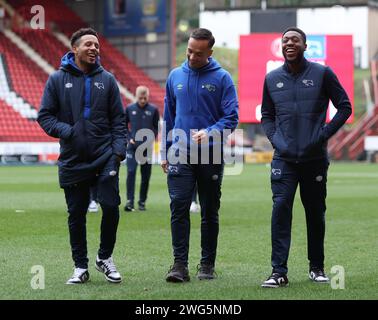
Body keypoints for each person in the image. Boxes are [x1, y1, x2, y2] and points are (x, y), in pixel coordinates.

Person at [260, 27, 352, 288]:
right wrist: (276, 140)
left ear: (304, 45)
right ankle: (278, 272)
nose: (289, 43)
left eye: (294, 40)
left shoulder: (322, 73)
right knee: (280, 209)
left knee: (314, 213)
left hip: (314, 159)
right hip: (284, 159)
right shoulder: (271, 78)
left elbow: (345, 107)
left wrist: (323, 134)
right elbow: (266, 115)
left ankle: (317, 267)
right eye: (285, 40)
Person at [37, 28, 126, 285]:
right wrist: (69, 131)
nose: (94, 49)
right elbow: (45, 116)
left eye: (97, 45)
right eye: (88, 44)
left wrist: (118, 151)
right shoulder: (56, 80)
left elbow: (118, 119)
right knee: (76, 213)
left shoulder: (107, 80)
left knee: (110, 206)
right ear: (74, 48)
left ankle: (105, 258)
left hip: (105, 156)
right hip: (73, 159)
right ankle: (80, 266)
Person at [161, 28, 239, 282]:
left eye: (199, 53)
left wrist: (211, 132)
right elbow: (169, 118)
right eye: (189, 51)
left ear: (210, 52)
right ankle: (179, 266)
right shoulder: (175, 76)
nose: (193, 57)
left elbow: (231, 117)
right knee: (179, 207)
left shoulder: (223, 78)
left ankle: (207, 265)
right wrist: (165, 151)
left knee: (209, 210)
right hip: (180, 154)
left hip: (210, 156)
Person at [124, 85, 159, 212]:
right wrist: (129, 138)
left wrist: (151, 138)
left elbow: (156, 128)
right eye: (140, 98)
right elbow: (123, 126)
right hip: (132, 147)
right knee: (131, 172)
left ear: (148, 97)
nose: (143, 100)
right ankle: (129, 201)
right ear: (136, 96)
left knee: (145, 176)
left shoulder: (154, 109)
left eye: (145, 98)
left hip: (146, 148)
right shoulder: (129, 109)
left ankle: (142, 202)